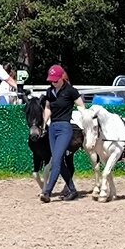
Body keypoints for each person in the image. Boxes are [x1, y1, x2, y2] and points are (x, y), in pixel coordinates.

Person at [40, 64, 87, 203]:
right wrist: (44, 122)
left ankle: (47, 192)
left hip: (65, 128)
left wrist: (83, 119)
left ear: (61, 78)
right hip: (53, 128)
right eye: (51, 80)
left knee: (56, 160)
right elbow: (48, 108)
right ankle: (72, 190)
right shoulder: (50, 92)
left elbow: (81, 106)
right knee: (59, 161)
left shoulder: (71, 91)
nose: (53, 82)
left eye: (55, 79)